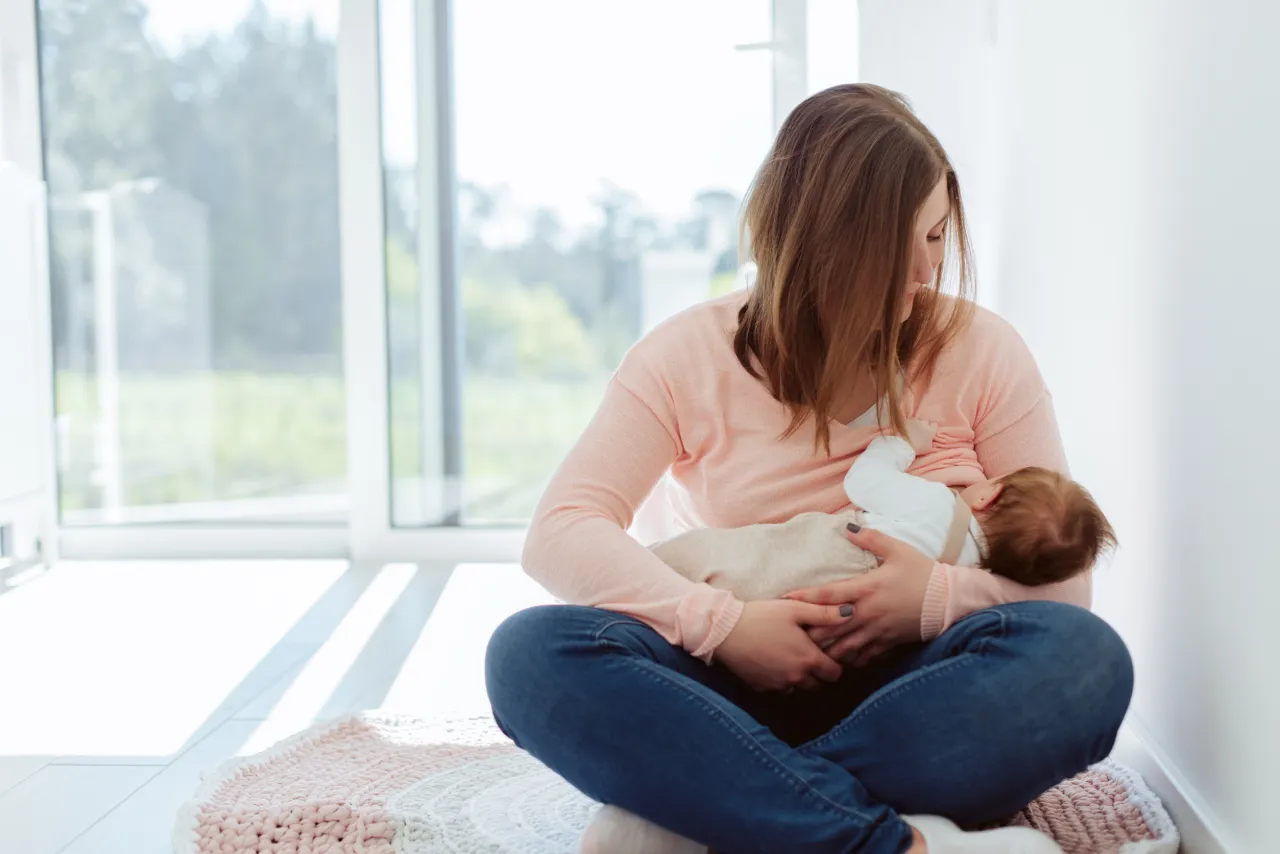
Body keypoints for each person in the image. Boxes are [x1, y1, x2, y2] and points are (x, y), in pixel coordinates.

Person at [485, 83, 1134, 854]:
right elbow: (559, 533)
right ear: (827, 244)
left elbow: (1067, 590)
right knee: (530, 655)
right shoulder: (684, 355)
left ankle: (701, 809)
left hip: (916, 687)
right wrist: (727, 628)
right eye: (909, 245)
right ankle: (866, 838)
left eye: (937, 238)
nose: (929, 272)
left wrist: (932, 600)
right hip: (722, 686)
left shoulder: (981, 350)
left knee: (1084, 664)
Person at [651, 429, 1118, 602]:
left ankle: (649, 566)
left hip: (825, 553)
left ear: (985, 496)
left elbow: (864, 482)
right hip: (836, 613)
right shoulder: (970, 573)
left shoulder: (938, 504)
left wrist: (900, 443)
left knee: (719, 557)